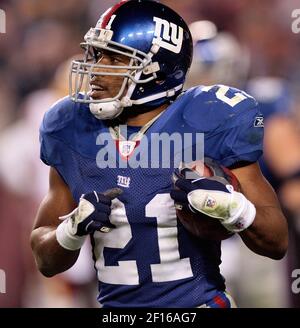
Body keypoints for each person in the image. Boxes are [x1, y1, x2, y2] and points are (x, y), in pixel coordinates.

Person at [31, 0, 288, 308]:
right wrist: (69, 231)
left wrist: (233, 208)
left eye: (116, 58)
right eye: (98, 54)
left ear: (157, 71)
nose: (97, 70)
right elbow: (44, 260)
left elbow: (277, 241)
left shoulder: (208, 120)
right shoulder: (73, 127)